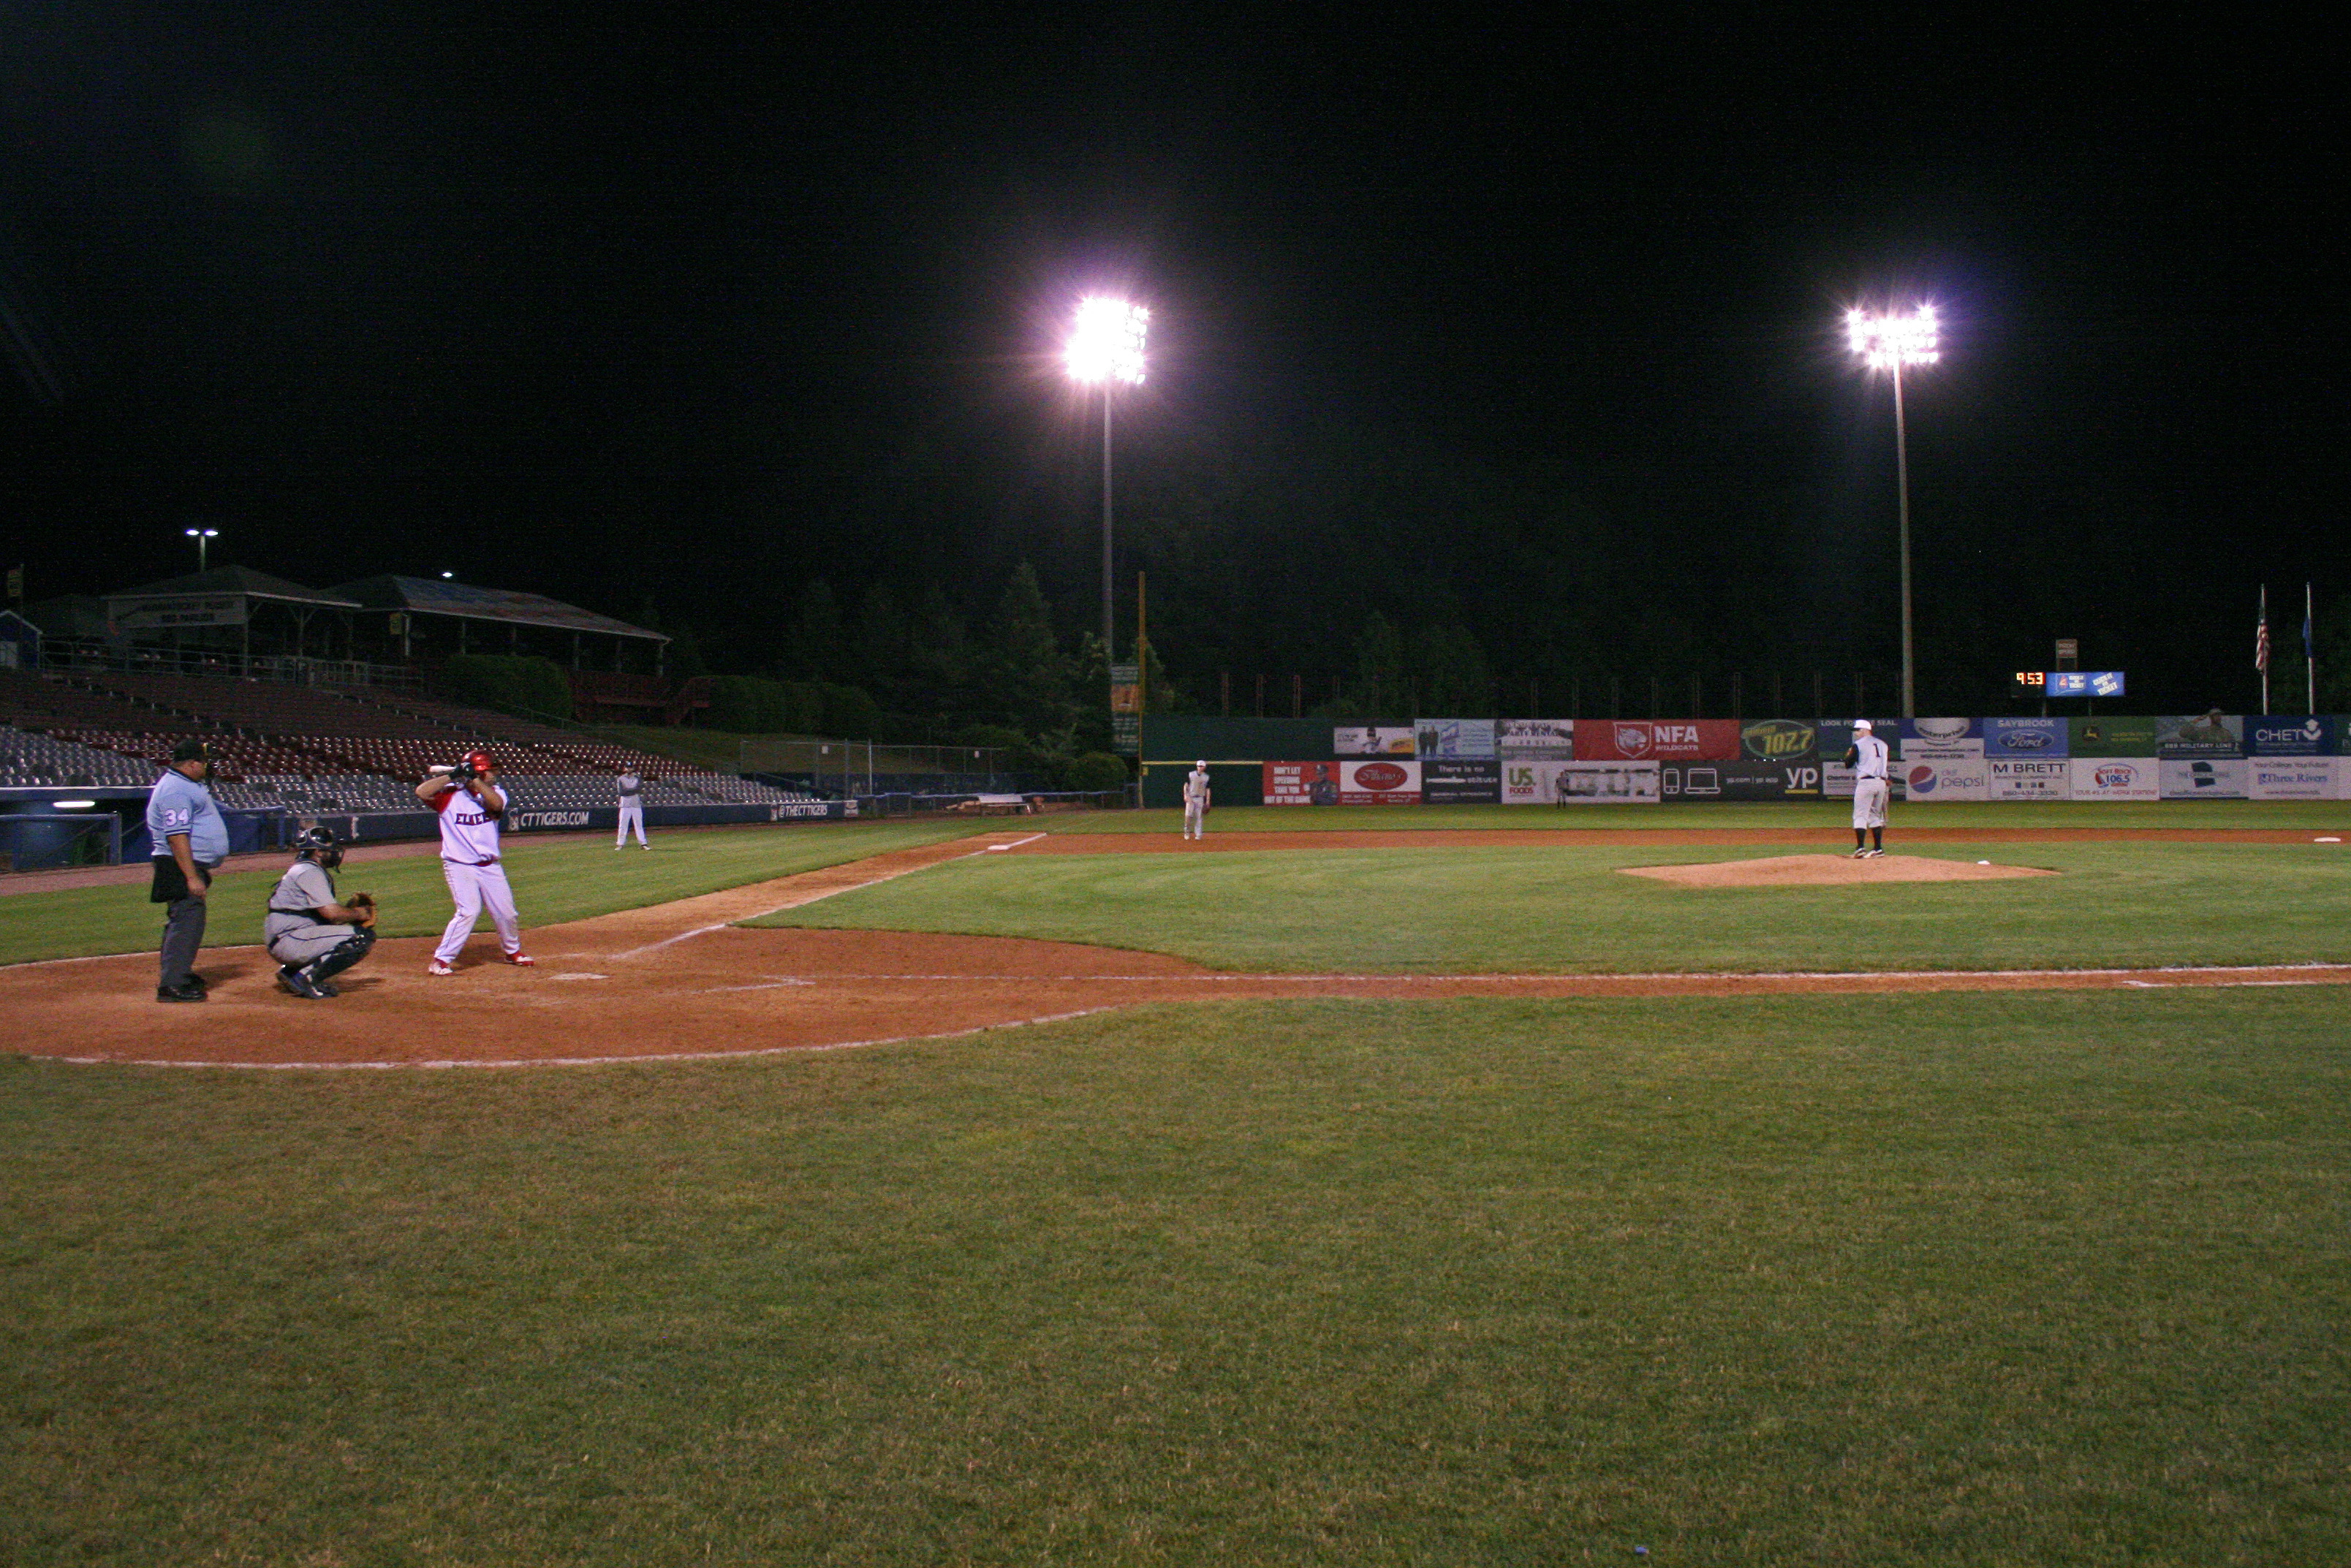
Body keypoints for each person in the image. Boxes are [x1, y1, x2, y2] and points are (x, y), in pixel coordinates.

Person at [416, 749, 534, 974]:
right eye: (490, 771)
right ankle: (441, 960)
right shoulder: (450, 795)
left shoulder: (496, 792)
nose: (494, 775)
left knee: (506, 913)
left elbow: (496, 805)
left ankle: (512, 951)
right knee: (468, 911)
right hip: (459, 864)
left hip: (490, 866)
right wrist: (454, 775)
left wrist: (472, 780)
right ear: (481, 772)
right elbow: (422, 792)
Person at [147, 737, 229, 1002]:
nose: (207, 767)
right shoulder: (175, 790)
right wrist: (191, 876)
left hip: (184, 864)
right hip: (179, 865)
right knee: (185, 921)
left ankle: (180, 973)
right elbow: (177, 835)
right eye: (204, 762)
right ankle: (172, 984)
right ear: (193, 763)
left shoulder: (184, 784)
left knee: (188, 920)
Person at [263, 826, 377, 999]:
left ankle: (291, 973)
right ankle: (305, 978)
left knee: (336, 931)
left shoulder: (303, 869)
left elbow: (326, 919)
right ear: (317, 852)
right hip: (290, 939)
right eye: (330, 850)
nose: (335, 854)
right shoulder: (309, 871)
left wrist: (347, 914)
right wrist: (359, 914)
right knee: (361, 938)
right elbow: (332, 913)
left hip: (288, 937)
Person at [1844, 719, 1890, 857]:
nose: (1856, 733)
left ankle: (1860, 848)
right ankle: (1878, 849)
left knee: (1860, 815)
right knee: (1875, 815)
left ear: (1865, 730)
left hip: (1866, 782)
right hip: (1881, 783)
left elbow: (1848, 764)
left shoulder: (1858, 745)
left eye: (1858, 730)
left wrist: (1848, 756)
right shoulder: (1883, 744)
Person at [615, 765, 647, 849]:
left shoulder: (637, 778)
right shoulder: (621, 779)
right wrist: (633, 790)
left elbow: (639, 789)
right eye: (627, 768)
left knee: (639, 824)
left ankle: (643, 843)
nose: (629, 769)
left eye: (630, 768)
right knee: (623, 825)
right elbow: (621, 792)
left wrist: (628, 790)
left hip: (635, 804)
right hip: (625, 805)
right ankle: (620, 844)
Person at [1181, 760, 1211, 840]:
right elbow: (1186, 785)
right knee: (1188, 816)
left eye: (1201, 766)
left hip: (1200, 798)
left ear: (1204, 767)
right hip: (1191, 797)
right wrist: (1185, 795)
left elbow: (1208, 790)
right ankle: (1187, 831)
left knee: (1198, 817)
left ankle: (1198, 834)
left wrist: (1207, 801)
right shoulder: (1191, 775)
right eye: (1199, 766)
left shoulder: (1206, 777)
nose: (1200, 767)